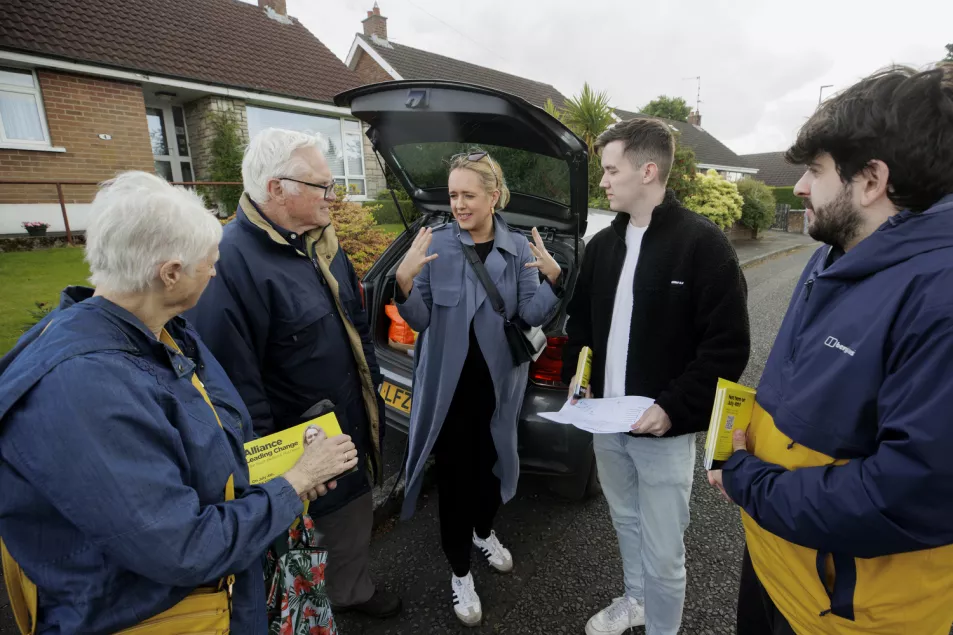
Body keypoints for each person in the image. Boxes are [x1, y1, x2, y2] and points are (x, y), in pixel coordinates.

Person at [0, 171, 358, 634]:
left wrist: (286, 468)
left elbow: (208, 452)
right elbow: (185, 548)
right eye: (209, 262)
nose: (214, 271)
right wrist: (296, 482)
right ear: (170, 273)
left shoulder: (158, 330)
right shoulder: (84, 389)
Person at [708, 65, 953, 635]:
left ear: (871, 179)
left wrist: (751, 483)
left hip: (849, 615)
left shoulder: (940, 297)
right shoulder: (832, 250)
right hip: (777, 568)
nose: (797, 189)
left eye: (815, 171)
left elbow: (906, 495)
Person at [186, 127, 401, 618]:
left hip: (346, 434)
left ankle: (350, 591)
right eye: (321, 186)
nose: (333, 195)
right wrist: (282, 478)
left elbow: (354, 322)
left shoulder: (319, 242)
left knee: (351, 525)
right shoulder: (230, 263)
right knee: (300, 555)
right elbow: (232, 392)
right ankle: (307, 616)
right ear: (276, 188)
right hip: (299, 460)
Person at [562, 118, 751, 635]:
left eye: (610, 169)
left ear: (647, 171)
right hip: (607, 424)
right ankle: (636, 600)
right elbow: (582, 322)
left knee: (665, 550)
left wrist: (671, 408)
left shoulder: (703, 245)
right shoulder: (602, 245)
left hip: (662, 430)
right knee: (625, 522)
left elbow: (727, 347)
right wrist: (582, 376)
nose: (603, 180)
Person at [395, 150, 562, 626]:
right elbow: (421, 318)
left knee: (492, 468)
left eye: (469, 195)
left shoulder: (516, 248)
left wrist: (551, 277)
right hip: (448, 393)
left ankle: (484, 531)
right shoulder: (434, 245)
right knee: (454, 479)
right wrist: (404, 283)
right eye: (453, 195)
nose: (459, 205)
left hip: (498, 389)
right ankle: (459, 570)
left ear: (494, 196)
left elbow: (530, 315)